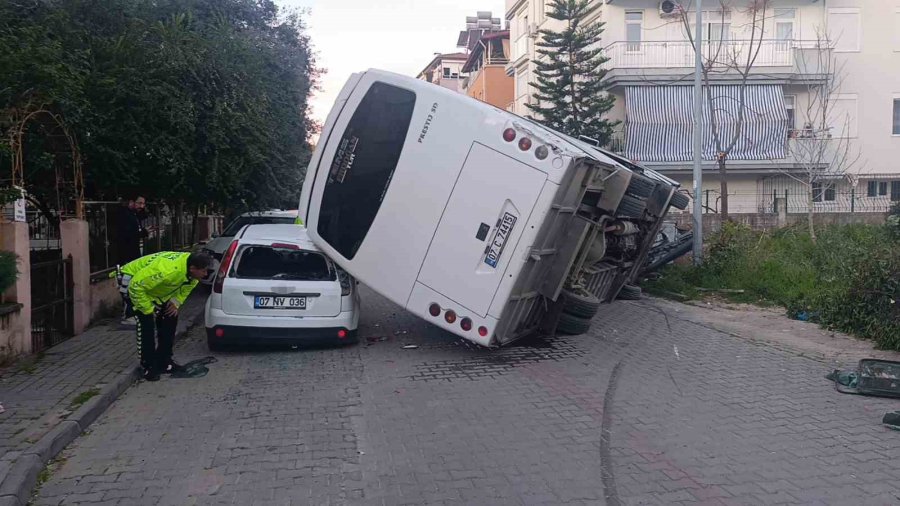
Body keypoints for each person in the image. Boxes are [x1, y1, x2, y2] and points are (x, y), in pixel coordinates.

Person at [116, 251, 213, 381]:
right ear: (192, 268)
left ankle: (164, 361)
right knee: (147, 323)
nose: (205, 274)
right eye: (203, 271)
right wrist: (148, 309)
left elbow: (188, 286)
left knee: (170, 317)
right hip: (132, 282)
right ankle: (148, 366)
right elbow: (136, 286)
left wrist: (176, 302)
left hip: (153, 288)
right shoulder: (168, 271)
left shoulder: (191, 270)